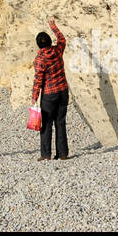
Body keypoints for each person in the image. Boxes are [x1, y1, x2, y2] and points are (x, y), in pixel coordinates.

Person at [31, 19, 70, 161]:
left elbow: (38, 80)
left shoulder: (40, 59)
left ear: (38, 45)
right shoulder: (58, 50)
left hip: (49, 94)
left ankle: (46, 154)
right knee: (60, 122)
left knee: (46, 124)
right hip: (63, 91)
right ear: (49, 41)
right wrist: (53, 26)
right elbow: (62, 39)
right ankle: (63, 153)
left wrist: (34, 97)